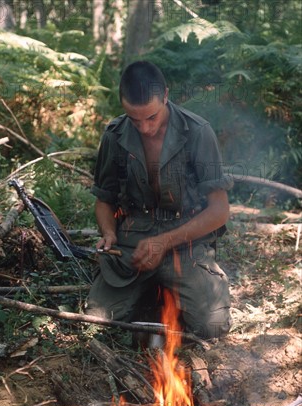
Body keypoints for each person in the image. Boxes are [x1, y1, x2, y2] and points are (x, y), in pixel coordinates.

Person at [85, 61, 233, 340]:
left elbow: (219, 211)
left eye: (151, 117)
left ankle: (170, 296)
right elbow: (104, 199)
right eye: (134, 119)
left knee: (212, 326)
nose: (144, 127)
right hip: (134, 241)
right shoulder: (114, 135)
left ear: (165, 95)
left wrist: (164, 241)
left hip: (186, 241)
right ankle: (151, 300)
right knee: (96, 322)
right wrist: (108, 233)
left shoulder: (198, 132)